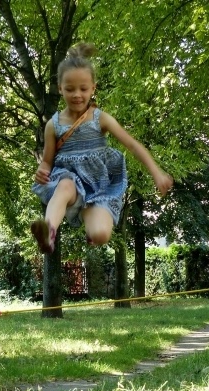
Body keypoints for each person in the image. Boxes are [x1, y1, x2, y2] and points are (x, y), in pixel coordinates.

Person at [31, 42, 173, 254]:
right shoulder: (54, 125)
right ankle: (48, 233)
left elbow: (132, 144)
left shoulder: (101, 119)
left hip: (99, 186)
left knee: (101, 234)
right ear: (60, 88)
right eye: (69, 89)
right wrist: (42, 171)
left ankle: (93, 227)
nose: (77, 94)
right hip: (69, 181)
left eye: (83, 89)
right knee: (65, 186)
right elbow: (47, 162)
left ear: (93, 88)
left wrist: (156, 173)